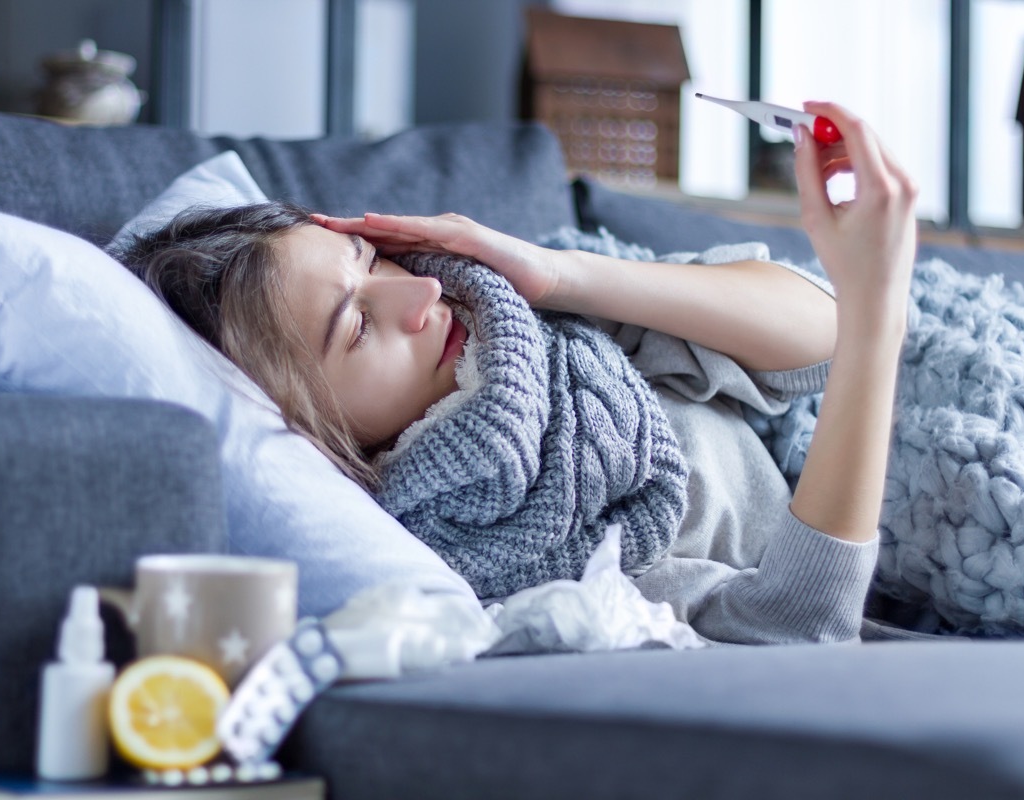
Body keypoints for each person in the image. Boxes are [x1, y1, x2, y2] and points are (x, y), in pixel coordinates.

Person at [120, 102, 919, 644]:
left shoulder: (523, 318)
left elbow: (821, 335)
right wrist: (877, 308)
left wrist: (561, 275)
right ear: (300, 423)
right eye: (357, 325)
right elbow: (795, 635)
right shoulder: (509, 559)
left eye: (370, 260)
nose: (420, 291)